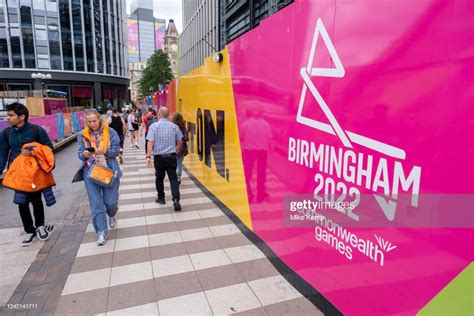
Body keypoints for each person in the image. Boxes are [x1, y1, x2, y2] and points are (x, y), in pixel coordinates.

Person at [0, 102, 54, 246]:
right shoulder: (6, 133)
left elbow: (49, 149)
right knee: (21, 202)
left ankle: (40, 226)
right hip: (18, 173)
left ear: (22, 116)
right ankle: (29, 231)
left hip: (35, 173)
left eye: (11, 115)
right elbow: (2, 154)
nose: (8, 118)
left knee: (36, 200)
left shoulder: (36, 130)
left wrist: (32, 152)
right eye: (8, 115)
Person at [73, 110, 122, 246]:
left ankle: (112, 214)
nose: (92, 124)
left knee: (111, 202)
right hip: (90, 172)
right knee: (96, 203)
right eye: (89, 122)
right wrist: (84, 154)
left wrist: (106, 151)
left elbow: (117, 150)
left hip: (108, 170)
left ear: (99, 120)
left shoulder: (110, 132)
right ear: (86, 122)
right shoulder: (82, 135)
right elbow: (79, 154)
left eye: (94, 121)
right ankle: (101, 232)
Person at [146, 107, 183, 211]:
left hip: (159, 158)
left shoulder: (154, 126)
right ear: (168, 115)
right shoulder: (174, 126)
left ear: (159, 114)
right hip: (171, 157)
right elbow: (180, 140)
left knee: (159, 178)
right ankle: (176, 199)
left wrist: (148, 156)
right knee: (173, 178)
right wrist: (177, 149)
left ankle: (161, 198)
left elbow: (150, 142)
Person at [240, 109, 272, 203]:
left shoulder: (244, 124)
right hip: (263, 152)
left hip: (249, 151)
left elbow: (240, 138)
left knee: (248, 173)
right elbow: (270, 138)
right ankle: (260, 195)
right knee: (261, 173)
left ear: (247, 115)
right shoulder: (266, 125)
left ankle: (249, 193)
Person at [171, 112, 189, 184]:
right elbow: (186, 138)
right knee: (179, 162)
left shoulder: (172, 127)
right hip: (182, 148)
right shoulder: (183, 127)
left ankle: (176, 174)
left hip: (173, 148)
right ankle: (178, 175)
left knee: (175, 162)